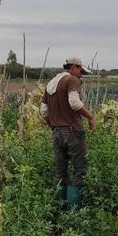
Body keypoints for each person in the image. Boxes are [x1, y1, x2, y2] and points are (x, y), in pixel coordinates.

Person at [40, 57, 96, 209]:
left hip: (57, 133)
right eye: (81, 71)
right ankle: (73, 211)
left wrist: (53, 126)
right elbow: (74, 103)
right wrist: (90, 117)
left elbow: (43, 110)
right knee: (80, 169)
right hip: (72, 132)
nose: (81, 75)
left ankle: (58, 208)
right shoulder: (71, 80)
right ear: (74, 67)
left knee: (60, 172)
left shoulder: (52, 83)